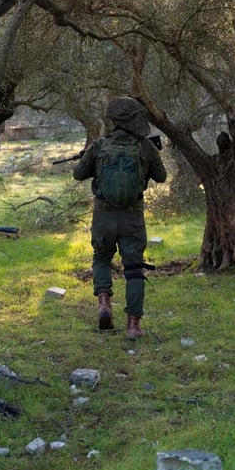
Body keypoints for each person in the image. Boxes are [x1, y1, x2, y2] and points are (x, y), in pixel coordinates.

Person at [73, 97, 167, 340]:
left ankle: (104, 303)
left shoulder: (100, 146)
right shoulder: (145, 146)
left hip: (103, 214)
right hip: (132, 215)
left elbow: (78, 174)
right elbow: (161, 176)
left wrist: (90, 159)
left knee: (102, 258)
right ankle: (133, 325)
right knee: (134, 268)